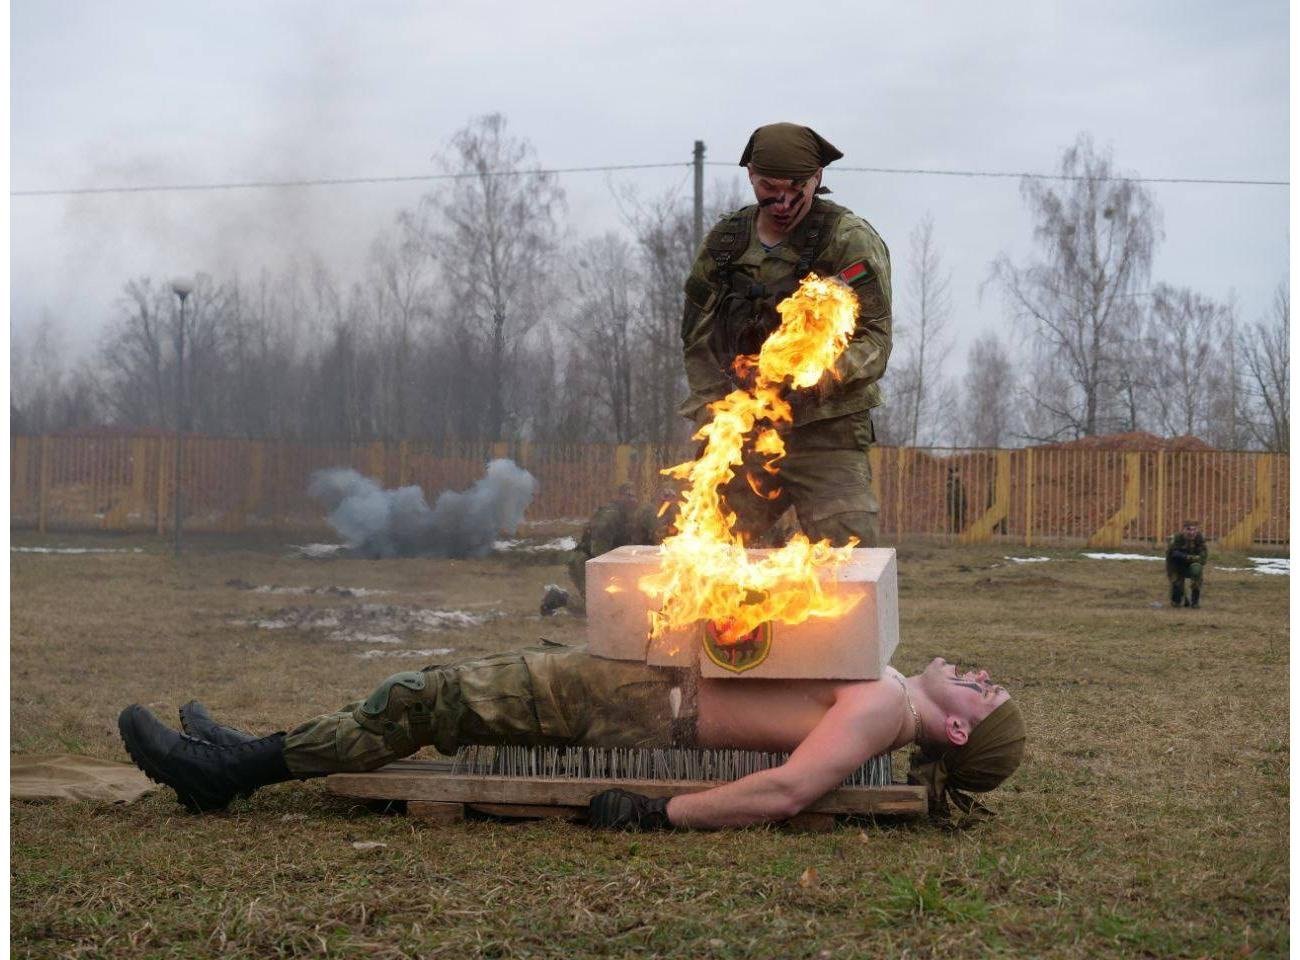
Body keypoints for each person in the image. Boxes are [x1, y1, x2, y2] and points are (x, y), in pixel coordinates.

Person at [117, 644, 1025, 830]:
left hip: (642, 707)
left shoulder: (880, 708)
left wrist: (657, 817)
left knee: (420, 699)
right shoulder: (884, 674)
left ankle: (232, 770)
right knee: (433, 693)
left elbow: (789, 789)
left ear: (950, 729)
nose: (981, 675)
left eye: (984, 697)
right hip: (646, 679)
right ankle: (254, 747)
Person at [679, 123, 892, 548]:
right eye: (768, 187)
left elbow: (875, 339)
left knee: (849, 562)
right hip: (745, 430)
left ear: (817, 178)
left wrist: (821, 378)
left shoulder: (848, 240)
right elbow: (696, 338)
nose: (783, 202)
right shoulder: (726, 244)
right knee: (704, 548)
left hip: (826, 433)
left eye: (797, 186)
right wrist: (715, 412)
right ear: (751, 176)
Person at [545, 484, 678, 614]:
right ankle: (559, 598)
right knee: (598, 608)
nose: (633, 500)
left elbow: (653, 538)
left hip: (610, 562)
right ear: (619, 497)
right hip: (587, 562)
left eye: (635, 497)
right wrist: (615, 574)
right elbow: (598, 552)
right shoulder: (609, 516)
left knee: (623, 604)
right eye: (628, 496)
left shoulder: (635, 515)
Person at [1165, 519, 1208, 608]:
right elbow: (1173, 554)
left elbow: (1203, 556)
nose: (1191, 532)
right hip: (1175, 565)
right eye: (1189, 529)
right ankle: (1178, 600)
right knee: (1177, 586)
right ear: (1183, 530)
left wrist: (1197, 562)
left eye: (1194, 529)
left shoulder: (1200, 538)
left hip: (1192, 564)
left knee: (1197, 574)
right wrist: (1188, 557)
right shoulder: (1177, 538)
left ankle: (1195, 602)